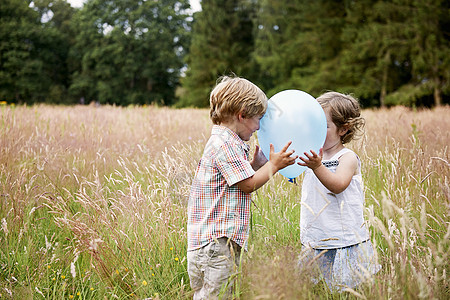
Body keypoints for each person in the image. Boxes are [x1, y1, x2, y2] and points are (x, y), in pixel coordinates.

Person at [187, 76, 297, 299]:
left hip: (213, 243)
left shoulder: (225, 141)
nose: (259, 127)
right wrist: (274, 165)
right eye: (258, 119)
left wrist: (255, 165)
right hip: (215, 245)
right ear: (242, 115)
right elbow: (247, 185)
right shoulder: (226, 144)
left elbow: (234, 178)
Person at [297, 91, 380, 291]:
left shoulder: (347, 157)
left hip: (343, 237)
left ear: (343, 129)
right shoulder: (314, 156)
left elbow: (338, 184)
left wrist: (317, 167)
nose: (315, 130)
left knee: (346, 288)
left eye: (323, 126)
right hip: (318, 234)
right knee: (315, 287)